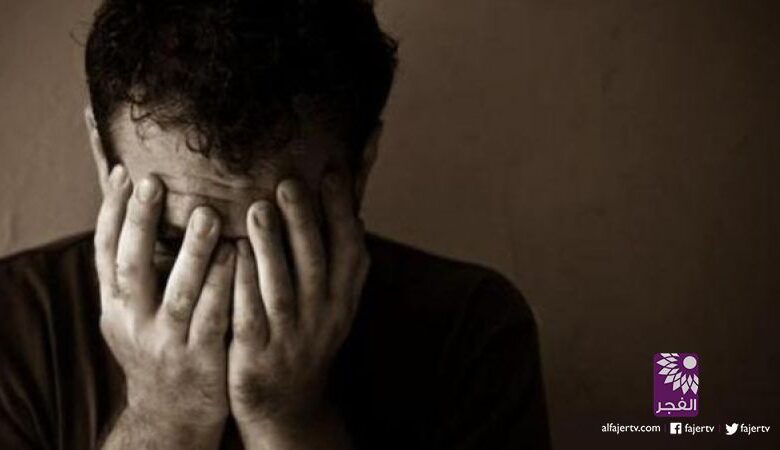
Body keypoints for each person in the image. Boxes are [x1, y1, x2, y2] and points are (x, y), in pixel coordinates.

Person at [0, 0, 549, 448]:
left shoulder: (471, 334)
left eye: (277, 240)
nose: (223, 299)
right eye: (172, 241)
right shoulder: (14, 326)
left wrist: (288, 422)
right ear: (103, 160)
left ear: (360, 171)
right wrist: (163, 419)